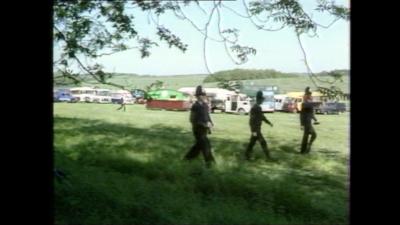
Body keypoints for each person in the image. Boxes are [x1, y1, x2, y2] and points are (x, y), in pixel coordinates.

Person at [184, 85, 215, 168]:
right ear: (197, 96)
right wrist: (203, 124)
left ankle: (187, 159)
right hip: (198, 130)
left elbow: (207, 116)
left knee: (198, 146)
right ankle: (210, 163)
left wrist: (210, 123)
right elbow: (192, 119)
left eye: (203, 94)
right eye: (201, 95)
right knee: (205, 145)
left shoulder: (205, 105)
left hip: (204, 129)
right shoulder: (195, 106)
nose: (203, 96)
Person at [245, 90, 274, 161]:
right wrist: (253, 131)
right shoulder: (255, 108)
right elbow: (252, 120)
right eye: (262, 100)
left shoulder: (257, 107)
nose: (262, 101)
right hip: (256, 129)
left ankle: (247, 155)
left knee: (252, 143)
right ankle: (268, 157)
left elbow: (262, 117)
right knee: (263, 142)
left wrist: (269, 123)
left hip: (257, 129)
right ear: (259, 100)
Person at [300, 87, 319, 154]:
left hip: (308, 122)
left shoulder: (309, 102)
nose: (310, 95)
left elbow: (311, 113)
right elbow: (302, 114)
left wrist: (315, 119)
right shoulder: (305, 103)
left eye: (310, 93)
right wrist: (301, 124)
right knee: (313, 135)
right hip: (306, 122)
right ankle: (307, 148)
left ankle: (304, 151)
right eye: (309, 94)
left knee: (306, 136)